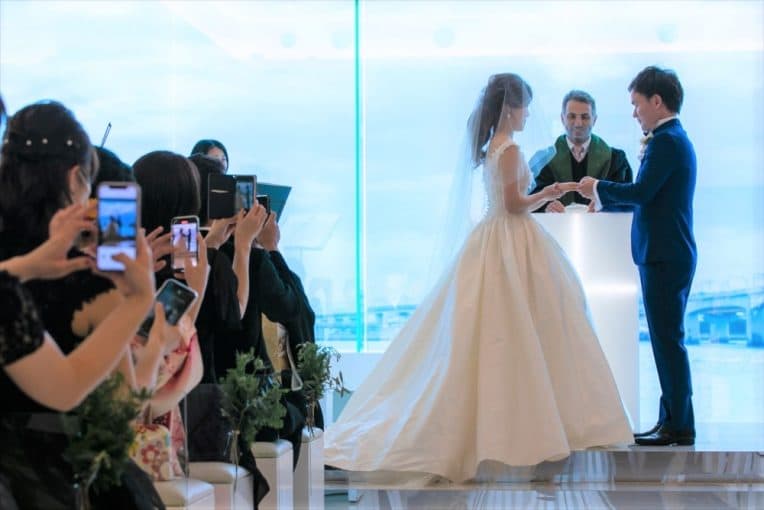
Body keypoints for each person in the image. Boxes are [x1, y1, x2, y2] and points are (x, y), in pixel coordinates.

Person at [324, 73, 633, 483]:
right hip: (511, 237)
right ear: (511, 108)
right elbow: (513, 205)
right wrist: (549, 192)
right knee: (527, 325)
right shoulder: (509, 149)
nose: (528, 115)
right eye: (524, 107)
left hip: (498, 237)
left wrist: (545, 192)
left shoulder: (495, 147)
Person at [578, 66, 697, 446]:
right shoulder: (672, 138)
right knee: (666, 340)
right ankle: (673, 420)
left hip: (665, 254)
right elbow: (651, 196)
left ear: (656, 101)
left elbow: (643, 192)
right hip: (667, 252)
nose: (634, 113)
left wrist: (598, 187)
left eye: (637, 104)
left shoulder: (666, 142)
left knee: (667, 340)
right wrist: (605, 199)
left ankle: (679, 425)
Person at [532, 89, 632, 212]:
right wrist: (546, 206)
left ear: (594, 119)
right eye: (571, 116)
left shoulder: (616, 159)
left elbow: (627, 199)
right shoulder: (543, 159)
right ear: (562, 118)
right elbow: (529, 198)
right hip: (555, 222)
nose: (578, 123)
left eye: (585, 117)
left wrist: (604, 205)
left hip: (601, 223)